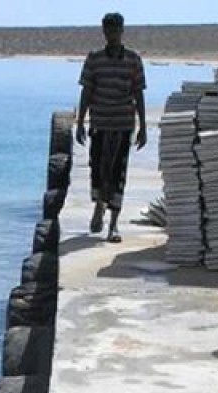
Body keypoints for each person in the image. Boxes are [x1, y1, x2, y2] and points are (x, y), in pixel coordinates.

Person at [75, 12, 147, 242]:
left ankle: (113, 225)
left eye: (116, 29)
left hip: (123, 124)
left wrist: (143, 126)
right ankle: (98, 206)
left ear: (121, 31)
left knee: (118, 174)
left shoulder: (133, 60)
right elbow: (86, 92)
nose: (112, 34)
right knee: (97, 170)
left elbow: (139, 93)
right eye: (108, 30)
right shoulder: (94, 59)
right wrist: (80, 123)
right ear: (104, 31)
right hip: (100, 123)